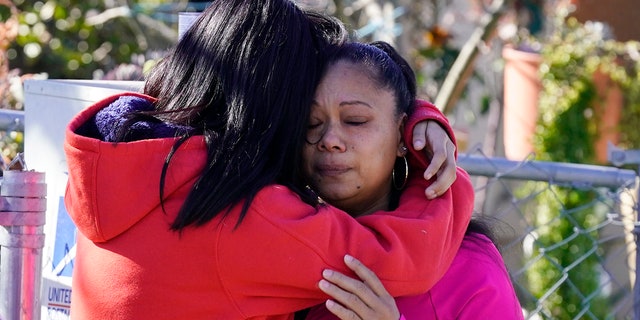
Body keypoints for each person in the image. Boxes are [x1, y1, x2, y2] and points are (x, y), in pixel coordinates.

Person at [63, 1, 473, 319]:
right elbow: (405, 256)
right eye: (305, 113)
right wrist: (429, 160)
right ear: (272, 103)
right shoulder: (240, 213)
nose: (322, 136)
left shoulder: (128, 165)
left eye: (356, 120)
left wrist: (412, 113)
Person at [301, 41, 523, 319]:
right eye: (311, 122)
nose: (329, 140)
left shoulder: (469, 269)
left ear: (403, 134)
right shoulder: (279, 239)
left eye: (355, 120)